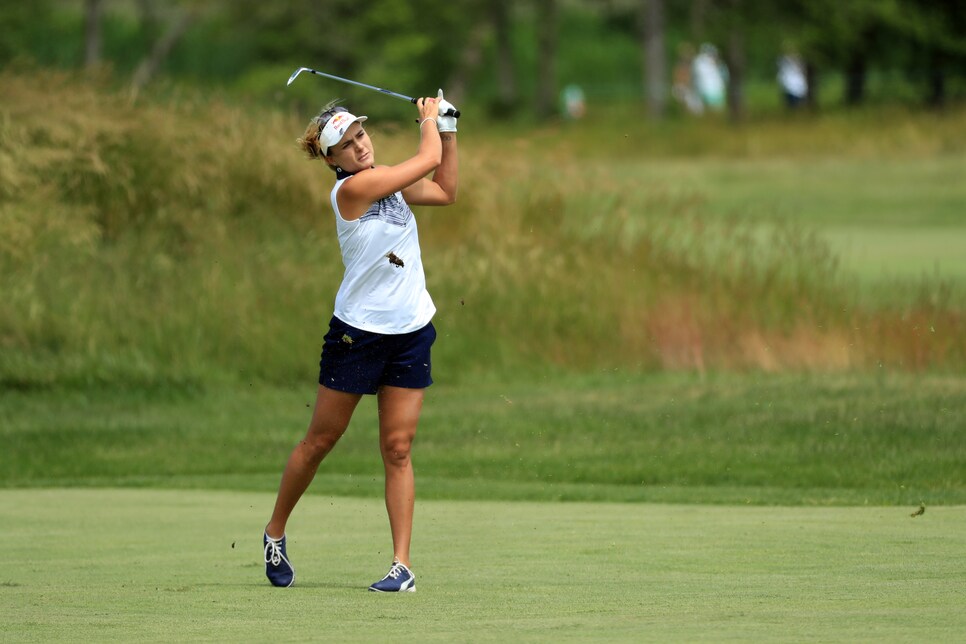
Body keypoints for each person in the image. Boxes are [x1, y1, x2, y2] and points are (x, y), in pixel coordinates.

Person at [262, 90, 459, 593]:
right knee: (320, 441)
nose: (360, 147)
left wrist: (450, 132)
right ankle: (275, 531)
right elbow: (427, 157)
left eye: (362, 135)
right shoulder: (351, 191)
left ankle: (402, 566)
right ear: (331, 159)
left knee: (397, 448)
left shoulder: (387, 183)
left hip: (410, 330)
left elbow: (443, 189)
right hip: (359, 333)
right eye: (347, 145)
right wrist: (430, 120)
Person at [692, 43, 727, 112]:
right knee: (710, 110)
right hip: (707, 90)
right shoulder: (700, 62)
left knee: (715, 110)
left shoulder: (718, 64)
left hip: (716, 90)